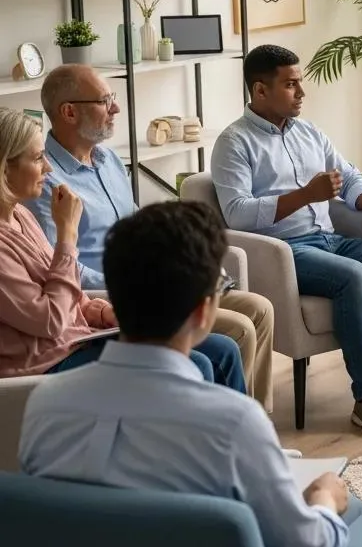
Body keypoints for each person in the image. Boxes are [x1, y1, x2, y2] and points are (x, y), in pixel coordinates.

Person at [19, 201, 360, 547]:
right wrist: (325, 500)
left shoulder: (44, 406)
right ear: (203, 311)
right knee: (348, 514)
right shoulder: (232, 424)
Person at [210, 44, 362, 440]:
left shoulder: (309, 132)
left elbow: (347, 176)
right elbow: (237, 213)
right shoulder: (234, 143)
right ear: (260, 91)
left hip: (330, 238)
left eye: (300, 82)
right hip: (284, 251)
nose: (301, 92)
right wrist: (304, 196)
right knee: (353, 276)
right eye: (290, 84)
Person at [23, 64, 275, 410]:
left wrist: (185, 263)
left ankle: (255, 422)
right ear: (69, 112)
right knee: (239, 330)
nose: (116, 108)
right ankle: (224, 426)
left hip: (155, 282)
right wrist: (143, 283)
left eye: (112, 98)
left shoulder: (109, 159)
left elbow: (142, 229)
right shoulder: (45, 184)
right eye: (104, 100)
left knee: (260, 309)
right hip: (120, 295)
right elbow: (58, 268)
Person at [0, 108, 244, 391]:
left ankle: (243, 431)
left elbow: (63, 290)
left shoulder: (20, 216)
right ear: (5, 168)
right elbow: (52, 320)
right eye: (38, 158)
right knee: (197, 363)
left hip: (79, 338)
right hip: (46, 365)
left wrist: (103, 313)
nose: (48, 168)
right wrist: (67, 234)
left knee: (223, 350)